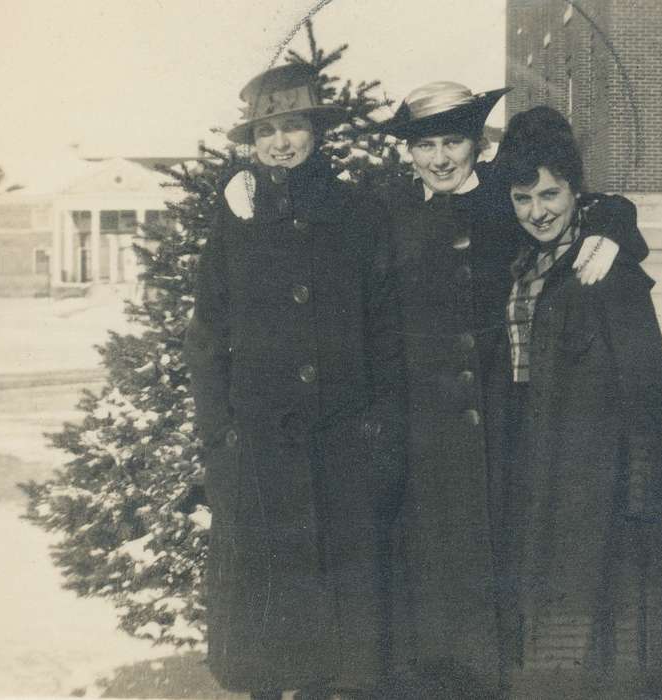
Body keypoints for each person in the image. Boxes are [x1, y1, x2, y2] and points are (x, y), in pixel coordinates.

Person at [372, 83, 649, 698]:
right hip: (423, 430)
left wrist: (611, 227)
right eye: (426, 145)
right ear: (410, 153)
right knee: (428, 575)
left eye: (454, 141)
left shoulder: (507, 196)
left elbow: (588, 201)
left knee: (504, 574)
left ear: (478, 144)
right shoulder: (388, 211)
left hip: (505, 425)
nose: (441, 159)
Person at [184, 63, 406, 700]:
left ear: (317, 132)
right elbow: (206, 334)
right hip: (259, 451)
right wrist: (219, 435)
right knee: (268, 636)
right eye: (266, 131)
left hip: (343, 448)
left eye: (294, 126)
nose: (281, 142)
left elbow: (385, 328)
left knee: (337, 641)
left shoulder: (360, 212)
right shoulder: (236, 217)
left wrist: (379, 428)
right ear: (252, 143)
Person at [486, 105, 662, 699]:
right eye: (522, 198)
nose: (537, 211)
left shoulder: (605, 269)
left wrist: (636, 485)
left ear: (574, 189)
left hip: (600, 474)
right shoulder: (522, 265)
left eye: (550, 193)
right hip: (535, 461)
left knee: (605, 630)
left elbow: (648, 387)